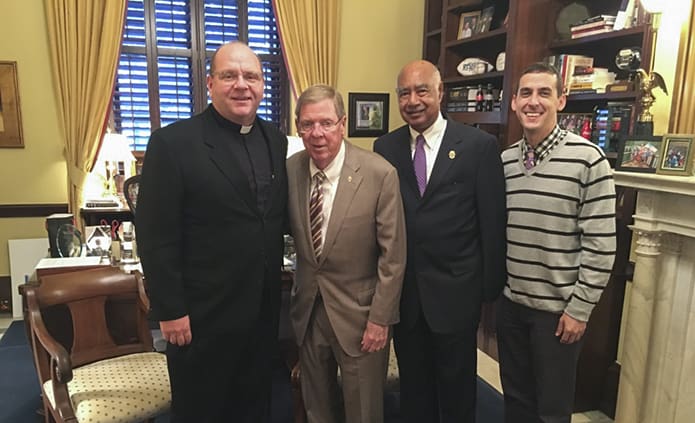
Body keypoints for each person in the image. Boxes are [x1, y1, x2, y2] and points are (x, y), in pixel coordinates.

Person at [136, 41, 288, 422]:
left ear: (262, 85)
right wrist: (170, 310)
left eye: (251, 76)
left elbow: (269, 217)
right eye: (229, 76)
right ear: (210, 83)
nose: (241, 85)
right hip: (201, 316)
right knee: (201, 409)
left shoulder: (275, 138)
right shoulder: (173, 143)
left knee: (255, 405)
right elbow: (155, 236)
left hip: (262, 310)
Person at [373, 60, 507, 423]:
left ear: (440, 94)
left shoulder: (478, 146)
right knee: (414, 389)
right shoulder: (385, 147)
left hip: (457, 295)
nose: (413, 100)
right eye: (404, 93)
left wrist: (487, 291)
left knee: (458, 389)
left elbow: (492, 222)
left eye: (422, 91)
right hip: (407, 296)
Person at [498, 62, 616, 423]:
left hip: (558, 314)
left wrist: (579, 310)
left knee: (551, 410)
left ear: (561, 100)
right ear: (514, 103)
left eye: (544, 93)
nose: (534, 102)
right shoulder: (503, 162)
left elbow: (601, 245)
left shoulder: (588, 160)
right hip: (512, 306)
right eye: (526, 93)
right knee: (516, 402)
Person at [287, 84, 406, 423]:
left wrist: (380, 319)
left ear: (342, 123)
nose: (317, 133)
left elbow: (393, 257)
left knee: (363, 412)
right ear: (298, 127)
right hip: (310, 312)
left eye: (325, 123)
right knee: (317, 408)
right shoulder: (292, 169)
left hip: (361, 316)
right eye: (308, 124)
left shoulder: (379, 173)